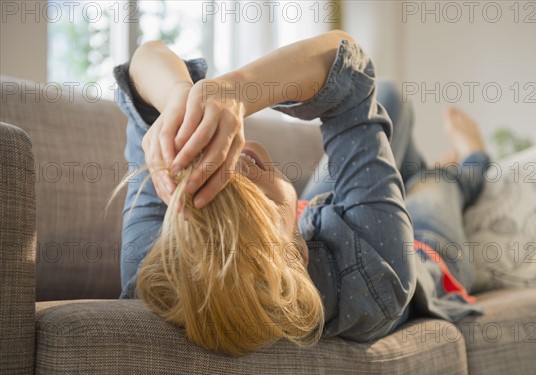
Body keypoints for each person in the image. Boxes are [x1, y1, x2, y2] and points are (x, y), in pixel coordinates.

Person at [112, 30, 490, 357]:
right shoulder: (373, 279)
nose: (239, 156)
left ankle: (397, 176)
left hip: (324, 218)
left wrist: (182, 100)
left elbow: (144, 60)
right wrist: (241, 88)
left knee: (391, 98)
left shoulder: (155, 268)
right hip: (419, 253)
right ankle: (472, 158)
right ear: (298, 252)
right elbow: (351, 70)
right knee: (439, 187)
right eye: (255, 182)